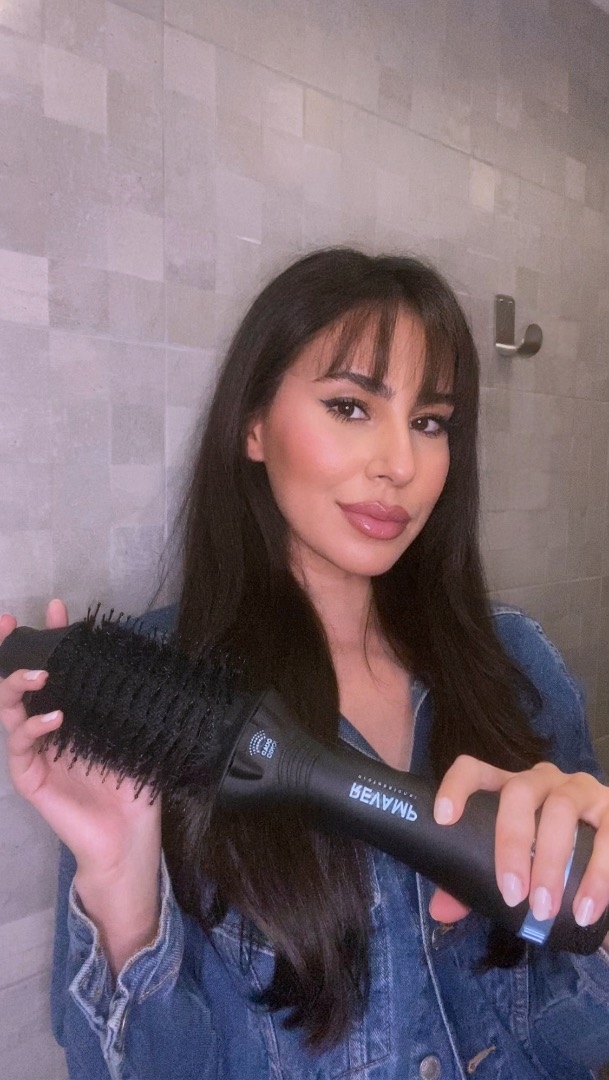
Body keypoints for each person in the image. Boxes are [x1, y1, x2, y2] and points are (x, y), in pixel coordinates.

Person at [2, 247, 609, 1080]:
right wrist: (119, 886)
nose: (400, 465)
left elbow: (581, 1028)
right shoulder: (157, 692)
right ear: (252, 425)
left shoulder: (516, 664)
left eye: (430, 422)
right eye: (350, 406)